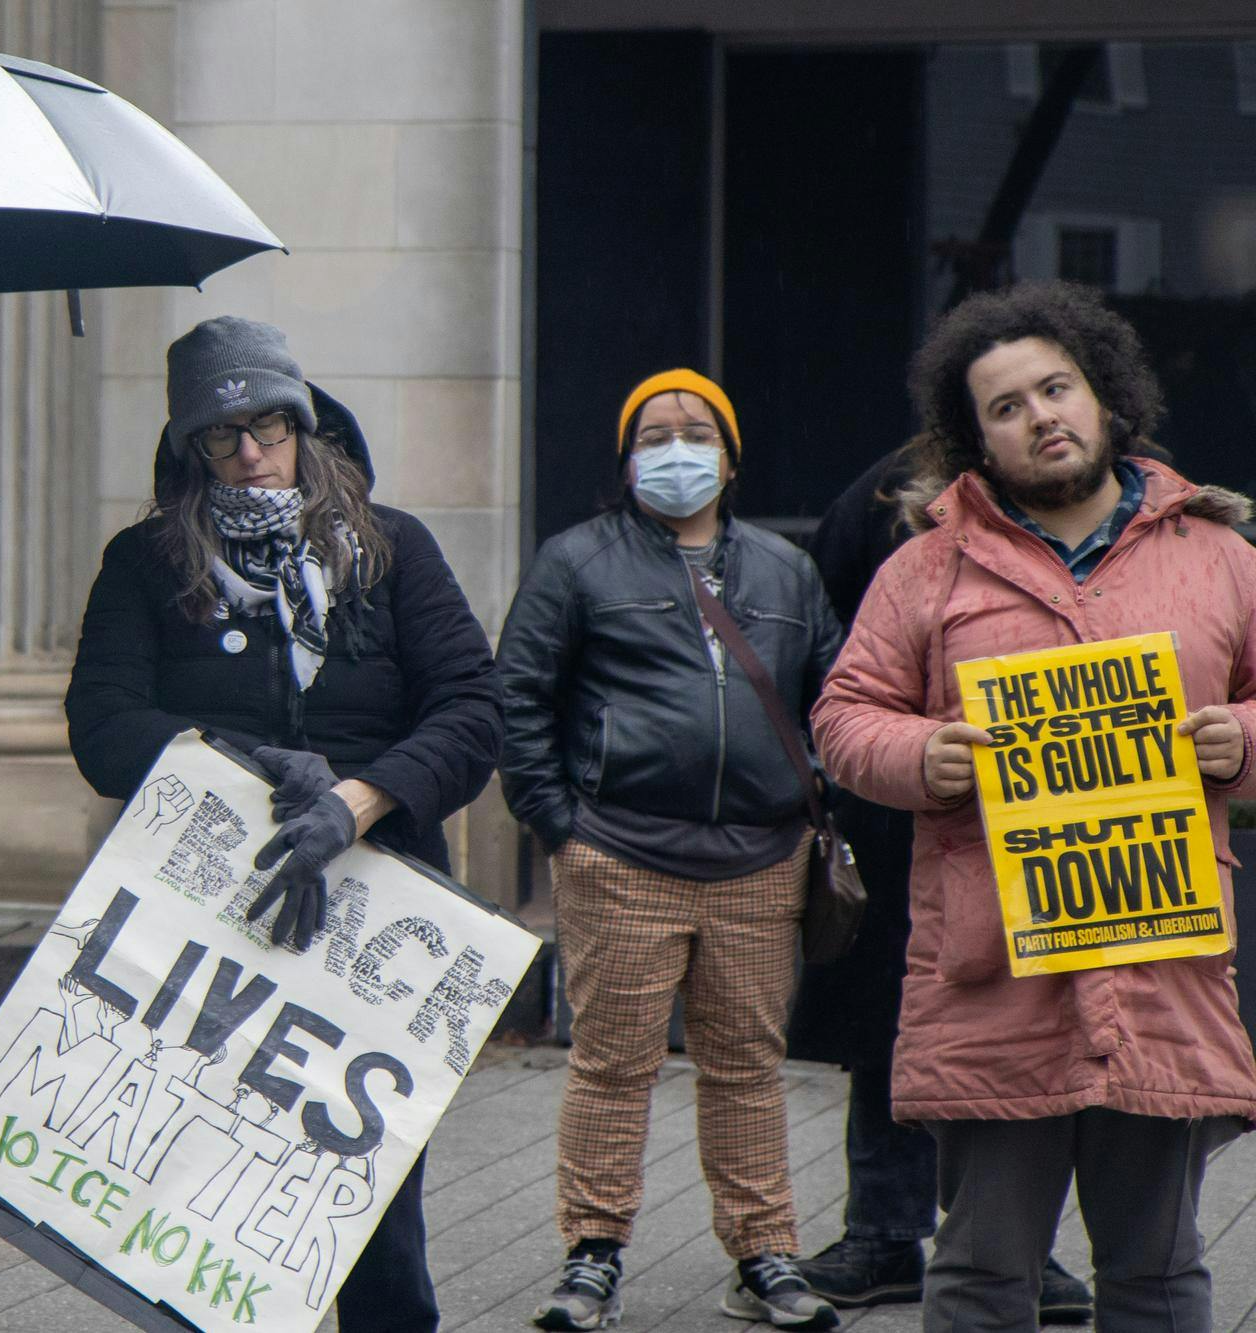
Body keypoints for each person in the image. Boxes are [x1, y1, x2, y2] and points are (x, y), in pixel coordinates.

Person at [812, 280, 1256, 1331]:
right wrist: (922, 754)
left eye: (1053, 388)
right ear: (972, 438)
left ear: (1104, 396)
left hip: (1161, 969)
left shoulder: (1221, 556)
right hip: (988, 975)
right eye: (1004, 406)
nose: (1038, 416)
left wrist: (1242, 742)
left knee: (1154, 1276)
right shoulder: (923, 569)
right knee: (976, 1276)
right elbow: (841, 715)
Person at [65, 315, 502, 1332]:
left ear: (304, 425)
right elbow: (103, 723)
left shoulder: (392, 551)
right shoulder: (143, 563)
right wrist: (248, 764)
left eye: (267, 425)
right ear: (188, 452)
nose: (250, 453)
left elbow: (472, 713)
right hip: (208, 921)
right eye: (222, 437)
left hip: (375, 922)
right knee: (214, 1205)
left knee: (373, 1210)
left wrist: (356, 801)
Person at [497, 368, 843, 1330]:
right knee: (612, 1067)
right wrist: (559, 826)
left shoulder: (787, 571)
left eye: (697, 432)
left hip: (759, 864)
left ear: (730, 458)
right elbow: (517, 698)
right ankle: (592, 1254)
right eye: (654, 435)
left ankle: (765, 1253)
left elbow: (837, 697)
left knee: (747, 1068)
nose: (676, 449)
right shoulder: (575, 561)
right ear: (626, 458)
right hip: (620, 858)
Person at [789, 441, 1090, 1322]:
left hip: (1054, 818)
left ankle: (1023, 1243)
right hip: (906, 812)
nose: (1031, 419)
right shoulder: (889, 489)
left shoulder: (1104, 500)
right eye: (999, 402)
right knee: (895, 1025)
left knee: (1039, 1025)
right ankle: (885, 1231)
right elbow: (830, 636)